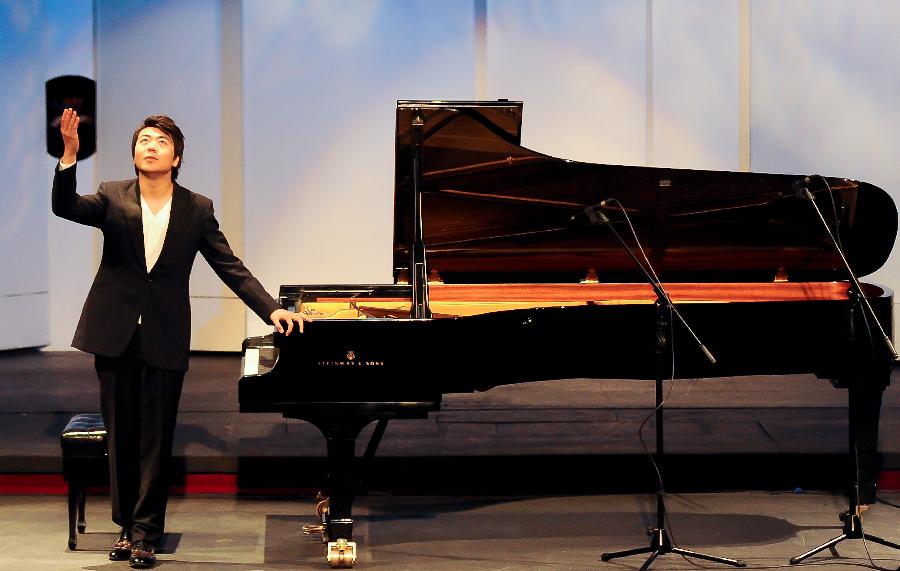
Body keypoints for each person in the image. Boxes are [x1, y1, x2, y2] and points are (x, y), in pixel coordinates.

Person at [52, 109, 307, 569]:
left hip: (166, 334)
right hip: (114, 332)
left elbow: (229, 266)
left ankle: (147, 532)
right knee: (122, 435)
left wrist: (270, 308)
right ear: (134, 153)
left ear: (177, 157)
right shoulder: (111, 196)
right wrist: (69, 156)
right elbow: (66, 207)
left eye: (161, 141)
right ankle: (127, 527)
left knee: (156, 437)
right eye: (144, 140)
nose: (151, 146)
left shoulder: (196, 208)